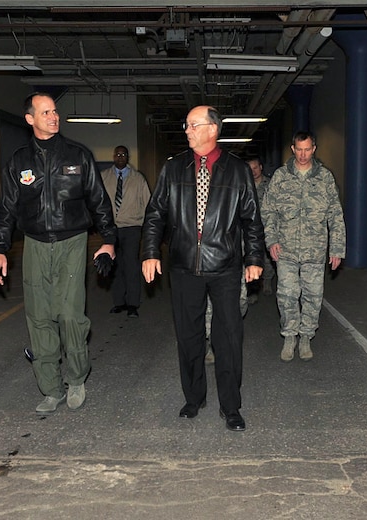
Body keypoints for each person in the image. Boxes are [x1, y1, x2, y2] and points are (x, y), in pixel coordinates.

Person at [0, 92, 116, 415]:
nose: (53, 117)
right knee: (40, 317)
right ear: (30, 119)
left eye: (55, 111)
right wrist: (0, 249)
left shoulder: (78, 155)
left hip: (72, 241)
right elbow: (6, 207)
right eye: (45, 112)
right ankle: (51, 388)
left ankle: (76, 379)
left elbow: (99, 201)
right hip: (34, 244)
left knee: (71, 315)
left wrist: (109, 240)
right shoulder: (19, 161)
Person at [141, 105, 265, 432]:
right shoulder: (173, 169)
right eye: (186, 125)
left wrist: (254, 259)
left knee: (228, 338)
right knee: (189, 336)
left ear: (213, 129)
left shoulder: (237, 171)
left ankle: (231, 406)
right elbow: (155, 215)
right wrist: (151, 252)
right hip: (183, 266)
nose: (187, 130)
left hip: (224, 266)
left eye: (193, 125)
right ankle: (194, 397)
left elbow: (251, 220)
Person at [262, 131, 346, 362]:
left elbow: (335, 215)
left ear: (314, 149)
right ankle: (290, 336)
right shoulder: (280, 177)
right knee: (287, 295)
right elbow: (268, 211)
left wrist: (336, 249)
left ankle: (306, 336)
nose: (303, 154)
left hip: (315, 249)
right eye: (299, 149)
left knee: (312, 295)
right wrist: (271, 240)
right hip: (286, 248)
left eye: (307, 149)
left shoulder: (325, 178)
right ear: (292, 149)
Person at [100, 145, 151, 318]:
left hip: (131, 228)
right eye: (118, 154)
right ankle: (118, 302)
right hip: (110, 228)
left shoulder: (138, 179)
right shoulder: (104, 177)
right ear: (114, 156)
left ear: (127, 157)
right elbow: (97, 201)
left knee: (131, 266)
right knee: (114, 266)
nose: (121, 157)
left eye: (124, 155)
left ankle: (132, 304)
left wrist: (147, 227)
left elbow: (147, 203)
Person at [245, 156, 274, 302]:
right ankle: (253, 290)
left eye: (255, 168)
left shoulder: (270, 185)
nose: (253, 171)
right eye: (250, 169)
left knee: (267, 258)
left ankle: (267, 279)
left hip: (268, 227)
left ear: (261, 167)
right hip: (250, 229)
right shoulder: (244, 186)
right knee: (252, 258)